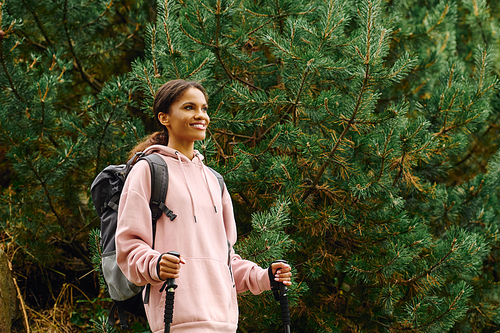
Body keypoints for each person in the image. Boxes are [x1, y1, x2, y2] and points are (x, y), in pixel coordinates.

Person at [115, 79, 292, 333]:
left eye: (204, 108)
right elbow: (129, 250)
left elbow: (226, 261)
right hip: (175, 321)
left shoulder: (214, 181)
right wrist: (156, 264)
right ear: (164, 117)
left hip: (224, 323)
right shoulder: (148, 170)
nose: (201, 115)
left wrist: (264, 277)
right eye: (189, 107)